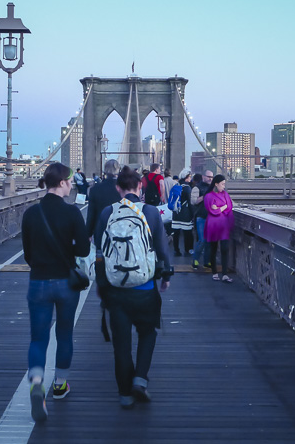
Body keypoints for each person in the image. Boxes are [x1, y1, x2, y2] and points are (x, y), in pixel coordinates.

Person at [94, 166, 173, 409]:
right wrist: (166, 274)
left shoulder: (108, 213)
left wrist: (101, 285)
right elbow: (161, 248)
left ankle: (125, 394)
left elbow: (100, 249)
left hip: (116, 289)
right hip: (145, 287)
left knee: (121, 343)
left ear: (118, 189)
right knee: (148, 333)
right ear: (141, 187)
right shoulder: (150, 212)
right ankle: (140, 379)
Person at [21, 163, 90, 422]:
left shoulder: (31, 213)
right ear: (61, 182)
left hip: (38, 281)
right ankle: (60, 385)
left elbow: (27, 253)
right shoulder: (72, 213)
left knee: (38, 338)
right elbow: (83, 250)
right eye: (70, 180)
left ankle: (37, 381)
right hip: (65, 283)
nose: (72, 184)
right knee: (64, 334)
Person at [204, 174, 234, 283]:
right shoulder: (208, 196)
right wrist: (224, 207)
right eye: (222, 184)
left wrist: (220, 208)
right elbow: (212, 211)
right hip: (213, 225)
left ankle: (225, 274)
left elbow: (229, 207)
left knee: (225, 248)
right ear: (216, 184)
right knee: (214, 249)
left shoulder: (225, 194)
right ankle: (214, 272)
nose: (224, 187)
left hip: (223, 225)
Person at [86, 159, 121, 236]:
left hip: (100, 231)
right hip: (120, 230)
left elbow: (91, 214)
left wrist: (88, 233)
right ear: (118, 170)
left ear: (105, 170)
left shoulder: (95, 189)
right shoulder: (123, 188)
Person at [192, 170, 214, 268]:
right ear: (203, 176)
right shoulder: (197, 188)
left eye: (212, 177)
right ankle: (195, 260)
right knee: (202, 240)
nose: (210, 179)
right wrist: (204, 196)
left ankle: (206, 261)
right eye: (208, 176)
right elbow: (193, 201)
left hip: (211, 218)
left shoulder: (213, 188)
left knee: (208, 241)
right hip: (201, 217)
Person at [171, 168, 194, 257]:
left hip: (176, 213)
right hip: (185, 213)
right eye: (189, 176)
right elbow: (190, 202)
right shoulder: (187, 188)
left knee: (176, 233)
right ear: (186, 177)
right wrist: (192, 214)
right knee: (187, 233)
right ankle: (188, 249)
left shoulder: (176, 185)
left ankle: (176, 250)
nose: (190, 178)